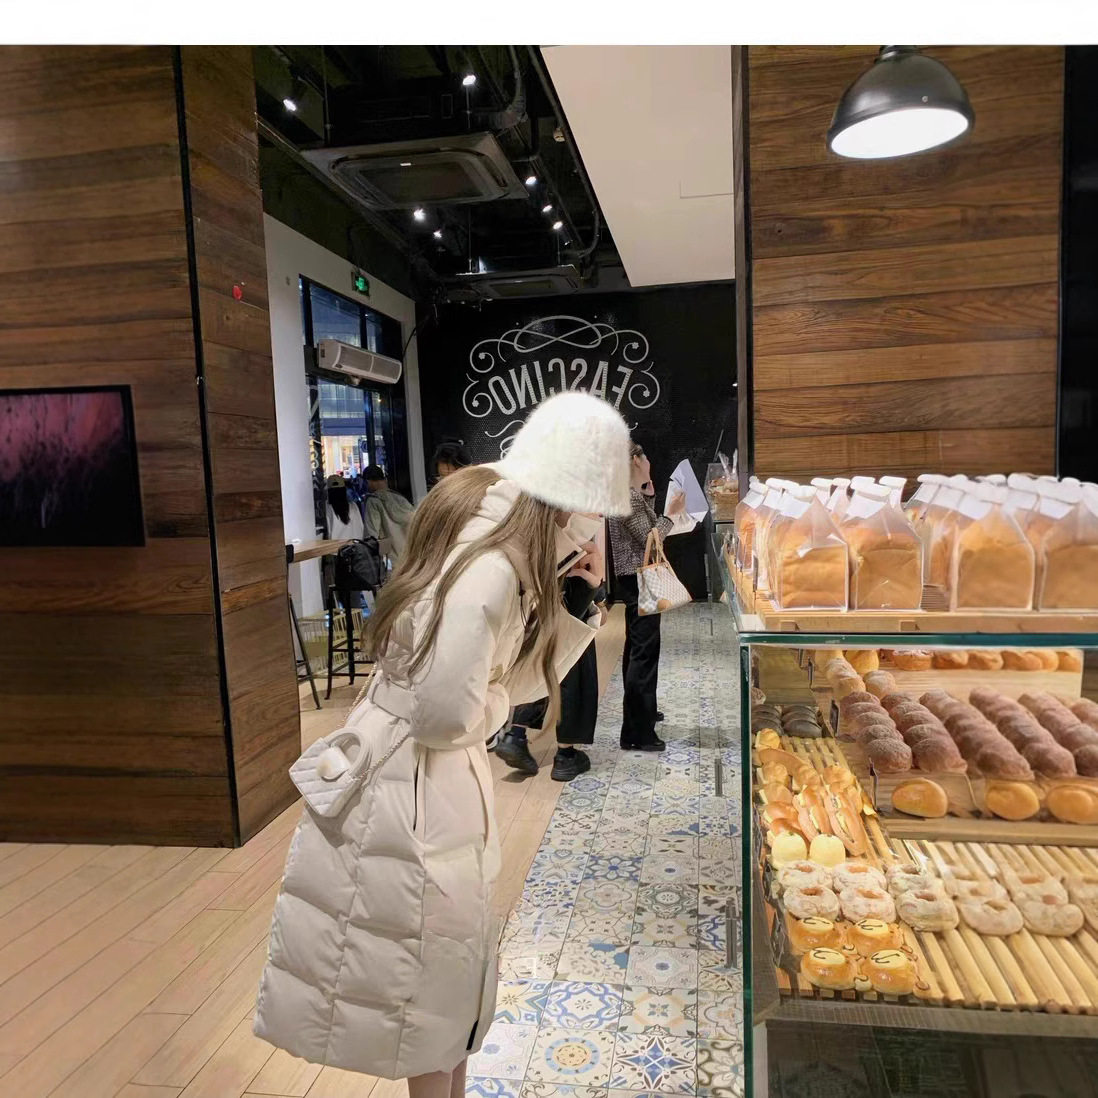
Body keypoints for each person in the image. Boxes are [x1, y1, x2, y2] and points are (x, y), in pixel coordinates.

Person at [254, 392, 631, 1098]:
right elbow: (446, 713)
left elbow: (506, 676)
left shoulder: (497, 535)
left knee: (439, 989)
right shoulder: (493, 564)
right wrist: (496, 696)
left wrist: (576, 603)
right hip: (416, 786)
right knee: (426, 992)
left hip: (420, 781)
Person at [495, 512, 607, 782]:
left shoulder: (526, 525)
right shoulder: (572, 524)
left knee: (541, 658)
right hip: (569, 585)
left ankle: (516, 734)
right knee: (572, 662)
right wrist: (596, 589)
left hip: (537, 600)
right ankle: (565, 754)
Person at [608, 441, 687, 751]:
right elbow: (651, 538)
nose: (649, 461)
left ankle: (643, 715)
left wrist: (650, 496)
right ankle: (636, 733)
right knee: (643, 652)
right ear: (636, 461)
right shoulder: (626, 497)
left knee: (638, 649)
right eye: (645, 457)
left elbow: (646, 528)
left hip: (633, 579)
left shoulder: (627, 494)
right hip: (638, 579)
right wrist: (672, 514)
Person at [362, 463, 416, 564]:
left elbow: (371, 534)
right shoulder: (400, 498)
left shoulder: (373, 501)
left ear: (368, 481)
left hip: (390, 560)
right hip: (409, 556)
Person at [325, 474, 365, 542]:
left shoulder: (327, 508)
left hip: (336, 547)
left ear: (328, 491)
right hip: (356, 545)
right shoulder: (354, 506)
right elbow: (360, 528)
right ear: (344, 490)